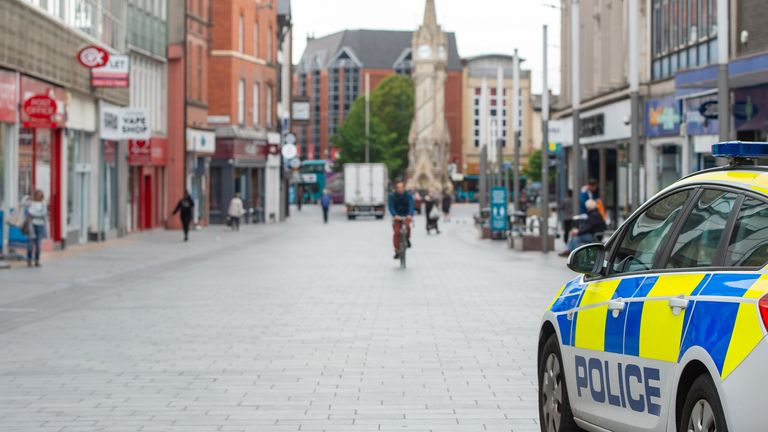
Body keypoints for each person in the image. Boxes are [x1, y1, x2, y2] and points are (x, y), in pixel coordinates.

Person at [388, 181, 414, 260]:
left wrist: (410, 214)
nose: (400, 189)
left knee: (408, 228)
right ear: (396, 188)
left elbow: (411, 205)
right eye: (398, 187)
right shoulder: (392, 196)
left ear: (404, 188)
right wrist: (395, 215)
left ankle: (407, 239)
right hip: (397, 216)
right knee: (396, 232)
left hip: (406, 215)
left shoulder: (408, 195)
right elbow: (391, 206)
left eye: (401, 187)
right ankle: (397, 249)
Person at [25, 190, 47, 267]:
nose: (39, 197)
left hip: (40, 226)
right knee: (30, 244)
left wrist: (34, 214)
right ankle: (29, 260)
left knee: (38, 244)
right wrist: (28, 197)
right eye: (37, 195)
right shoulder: (31, 203)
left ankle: (37, 260)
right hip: (31, 226)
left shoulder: (43, 204)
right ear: (34, 195)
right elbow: (22, 204)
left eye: (40, 196)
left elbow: (43, 214)